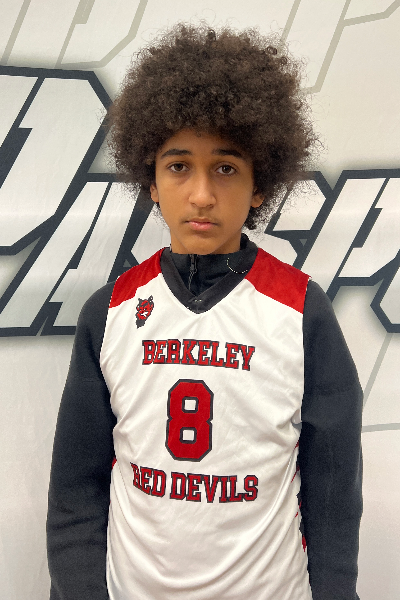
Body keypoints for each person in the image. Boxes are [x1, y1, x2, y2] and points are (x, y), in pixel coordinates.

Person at [47, 23, 363, 600]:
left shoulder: (301, 311)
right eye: (178, 166)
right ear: (150, 180)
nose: (200, 195)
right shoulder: (111, 312)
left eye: (225, 168)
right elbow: (76, 491)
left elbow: (333, 494)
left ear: (260, 185)